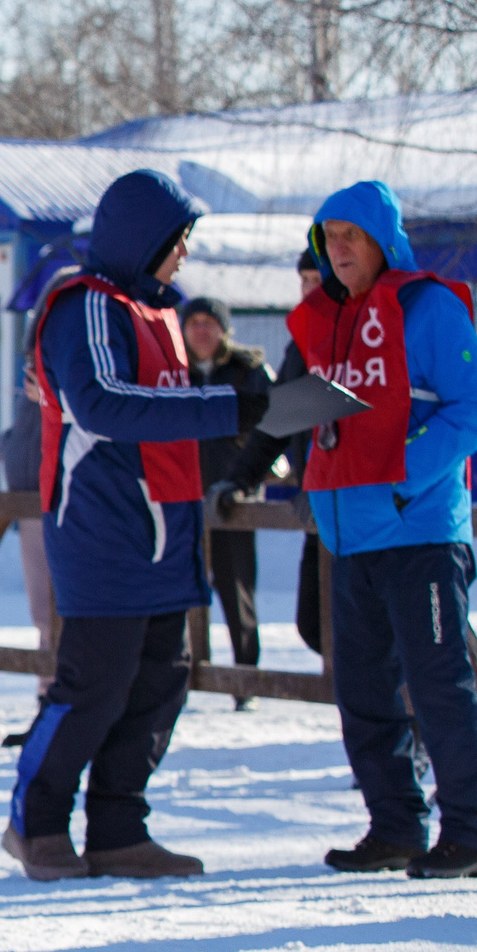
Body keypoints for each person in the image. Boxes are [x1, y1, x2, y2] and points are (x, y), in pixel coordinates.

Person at [4, 170, 261, 882]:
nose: (184, 254)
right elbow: (104, 402)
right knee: (94, 687)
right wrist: (227, 406)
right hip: (103, 532)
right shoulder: (88, 303)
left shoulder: (159, 313)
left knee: (157, 687)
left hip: (167, 532)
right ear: (144, 238)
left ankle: (119, 830)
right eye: (179, 240)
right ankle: (36, 822)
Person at [284, 181, 477, 877]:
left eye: (352, 235)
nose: (338, 249)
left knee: (439, 688)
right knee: (363, 693)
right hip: (349, 537)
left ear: (382, 241)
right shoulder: (327, 319)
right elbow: (314, 416)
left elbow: (470, 410)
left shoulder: (428, 307)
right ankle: (395, 825)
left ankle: (471, 830)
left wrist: (399, 479)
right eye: (328, 237)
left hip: (419, 532)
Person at [218, 251, 325, 656]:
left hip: (365, 507)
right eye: (305, 280)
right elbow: (279, 418)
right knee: (316, 624)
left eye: (319, 280)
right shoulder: (304, 341)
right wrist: (239, 479)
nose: (310, 290)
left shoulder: (363, 333)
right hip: (318, 506)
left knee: (371, 633)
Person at [178, 296, 272, 698]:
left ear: (224, 329)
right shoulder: (173, 370)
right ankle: (180, 676)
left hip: (233, 497)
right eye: (194, 322)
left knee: (236, 588)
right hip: (182, 495)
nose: (201, 330)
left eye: (209, 322)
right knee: (181, 587)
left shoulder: (248, 370)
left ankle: (245, 680)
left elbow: (272, 425)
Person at [0, 356, 55, 703]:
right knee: (43, 611)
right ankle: (47, 691)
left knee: (62, 609)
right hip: (29, 503)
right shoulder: (30, 390)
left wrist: (51, 397)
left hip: (62, 505)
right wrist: (9, 447)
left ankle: (60, 691)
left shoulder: (67, 376)